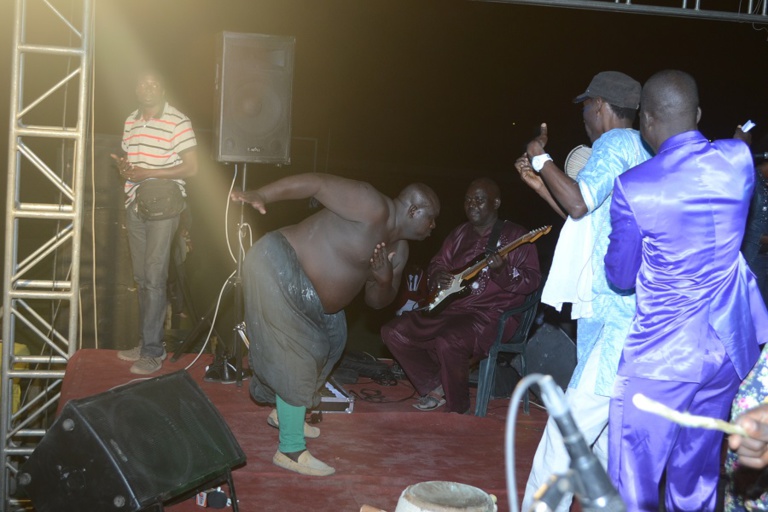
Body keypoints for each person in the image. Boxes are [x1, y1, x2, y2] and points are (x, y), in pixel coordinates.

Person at [604, 69, 768, 511]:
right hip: (726, 351)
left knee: (631, 484)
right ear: (696, 115)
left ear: (646, 121)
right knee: (696, 477)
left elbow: (620, 276)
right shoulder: (737, 159)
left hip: (662, 357)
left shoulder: (633, 186)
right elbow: (734, 148)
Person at [231, 173, 440, 476]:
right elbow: (316, 184)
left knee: (333, 342)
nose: (433, 227)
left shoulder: (400, 250)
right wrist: (263, 195)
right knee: (300, 348)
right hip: (278, 262)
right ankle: (290, 449)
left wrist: (383, 279)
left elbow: (376, 302)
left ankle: (286, 412)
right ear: (413, 211)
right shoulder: (371, 206)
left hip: (314, 297)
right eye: (431, 218)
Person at [514, 71, 650, 512]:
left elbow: (577, 202)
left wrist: (541, 158)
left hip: (616, 322)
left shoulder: (614, 144)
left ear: (601, 106)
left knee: (566, 431)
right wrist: (542, 184)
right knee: (605, 439)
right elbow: (590, 219)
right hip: (624, 316)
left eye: (587, 106)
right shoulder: (642, 149)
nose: (585, 116)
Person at [380, 178, 541, 415]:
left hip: (491, 316)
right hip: (451, 311)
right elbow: (437, 264)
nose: (471, 204)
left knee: (449, 340)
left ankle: (457, 407)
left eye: (479, 199)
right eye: (468, 200)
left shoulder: (516, 237)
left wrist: (502, 271)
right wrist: (438, 276)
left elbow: (532, 280)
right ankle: (436, 384)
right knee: (393, 332)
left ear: (496, 203)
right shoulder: (460, 234)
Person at [111, 70, 198, 375]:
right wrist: (126, 168)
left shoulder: (178, 121)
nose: (147, 87)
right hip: (135, 203)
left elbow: (192, 168)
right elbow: (134, 165)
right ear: (136, 88)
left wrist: (147, 172)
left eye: (153, 83)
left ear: (162, 88)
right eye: (142, 83)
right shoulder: (131, 120)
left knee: (154, 276)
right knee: (141, 277)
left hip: (164, 206)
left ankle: (153, 351)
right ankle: (146, 340)